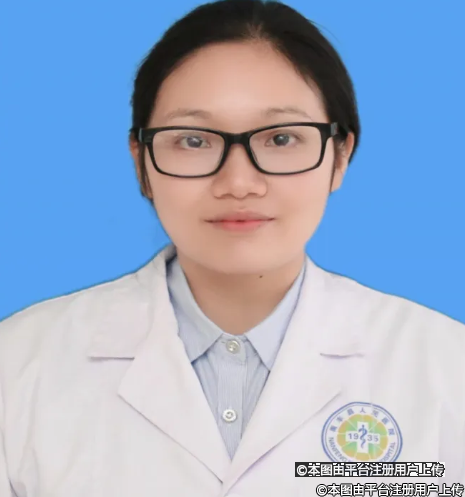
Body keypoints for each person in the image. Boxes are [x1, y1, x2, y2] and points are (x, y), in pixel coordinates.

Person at [1, 0, 464, 495]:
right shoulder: (20, 363)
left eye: (281, 139)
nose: (239, 183)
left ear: (341, 155)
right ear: (141, 162)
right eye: (193, 141)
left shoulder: (445, 367)